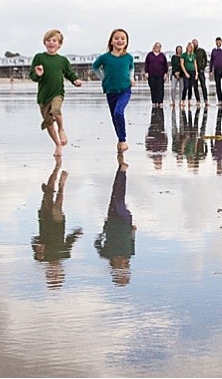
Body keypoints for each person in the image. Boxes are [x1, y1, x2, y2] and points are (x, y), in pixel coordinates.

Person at [30, 29, 83, 157]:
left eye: (54, 40)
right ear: (45, 43)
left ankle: (61, 129)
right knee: (48, 123)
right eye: (48, 40)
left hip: (57, 93)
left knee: (56, 109)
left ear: (59, 44)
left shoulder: (62, 60)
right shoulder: (39, 57)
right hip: (43, 96)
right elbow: (33, 76)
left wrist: (75, 80)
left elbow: (69, 73)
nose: (51, 43)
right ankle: (58, 145)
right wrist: (38, 74)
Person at [31, 158, 83, 290]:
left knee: (47, 195)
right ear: (61, 271)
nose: (55, 271)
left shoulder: (41, 258)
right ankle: (61, 186)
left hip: (44, 224)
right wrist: (76, 234)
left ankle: (55, 171)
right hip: (58, 225)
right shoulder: (65, 255)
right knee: (56, 208)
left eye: (52, 274)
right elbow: (69, 241)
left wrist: (39, 248)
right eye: (57, 274)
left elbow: (34, 240)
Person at [95, 154, 136, 287]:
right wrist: (133, 230)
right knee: (118, 197)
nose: (123, 267)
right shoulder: (129, 254)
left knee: (115, 195)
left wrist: (104, 230)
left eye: (121, 271)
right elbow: (132, 240)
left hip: (113, 221)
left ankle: (120, 171)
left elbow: (97, 243)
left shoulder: (107, 254)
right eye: (125, 270)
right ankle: (122, 172)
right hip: (124, 221)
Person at [92, 28, 136, 153]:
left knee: (118, 112)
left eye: (123, 38)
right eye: (116, 38)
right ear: (111, 41)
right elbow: (94, 66)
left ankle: (123, 140)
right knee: (114, 116)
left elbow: (131, 68)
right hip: (110, 90)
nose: (119, 40)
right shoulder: (105, 57)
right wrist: (103, 78)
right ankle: (120, 139)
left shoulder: (128, 57)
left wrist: (131, 78)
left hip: (125, 89)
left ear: (126, 42)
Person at [143, 42, 168, 107]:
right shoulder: (149, 55)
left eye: (159, 46)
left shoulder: (162, 55)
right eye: (156, 46)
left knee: (160, 88)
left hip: (160, 74)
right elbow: (146, 64)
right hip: (151, 74)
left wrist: (165, 73)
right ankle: (154, 101)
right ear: (154, 47)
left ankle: (160, 101)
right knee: (153, 88)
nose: (157, 47)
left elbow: (165, 65)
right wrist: (146, 72)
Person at [179, 41, 199, 107]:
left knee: (191, 86)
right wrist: (185, 73)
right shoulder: (183, 55)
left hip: (193, 71)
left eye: (191, 47)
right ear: (187, 47)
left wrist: (196, 73)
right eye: (188, 47)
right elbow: (182, 64)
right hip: (186, 72)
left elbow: (195, 64)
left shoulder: (193, 55)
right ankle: (183, 100)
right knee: (186, 86)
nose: (189, 48)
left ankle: (189, 100)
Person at [192, 38, 209, 106]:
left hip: (201, 71)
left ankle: (206, 100)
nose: (194, 44)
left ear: (197, 43)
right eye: (193, 43)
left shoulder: (202, 51)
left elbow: (205, 59)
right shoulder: (191, 52)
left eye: (195, 43)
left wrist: (203, 67)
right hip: (193, 71)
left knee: (203, 86)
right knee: (195, 86)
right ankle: (198, 100)